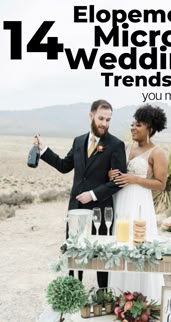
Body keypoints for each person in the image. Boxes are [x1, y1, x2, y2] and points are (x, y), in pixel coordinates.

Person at [35, 99, 127, 288]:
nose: (104, 123)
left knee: (102, 257)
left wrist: (93, 194)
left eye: (108, 120)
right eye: (101, 118)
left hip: (102, 212)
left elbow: (118, 181)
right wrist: (43, 150)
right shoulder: (78, 141)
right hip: (75, 209)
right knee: (75, 255)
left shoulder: (116, 145)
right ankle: (73, 295)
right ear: (91, 115)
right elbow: (63, 166)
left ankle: (104, 296)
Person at [108, 104, 168, 303]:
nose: (133, 128)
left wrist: (134, 179)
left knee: (139, 246)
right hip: (121, 201)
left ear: (150, 128)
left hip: (140, 204)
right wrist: (112, 174)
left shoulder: (157, 152)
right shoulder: (125, 147)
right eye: (132, 124)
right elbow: (117, 172)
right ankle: (120, 298)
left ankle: (144, 301)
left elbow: (160, 184)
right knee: (120, 245)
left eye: (139, 125)